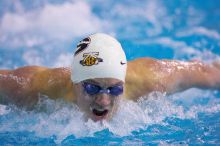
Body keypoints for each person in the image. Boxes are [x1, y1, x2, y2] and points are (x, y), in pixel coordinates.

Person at [0, 33, 220, 121]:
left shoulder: (153, 80)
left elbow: (209, 72)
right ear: (75, 82)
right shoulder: (32, 88)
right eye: (93, 88)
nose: (104, 101)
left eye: (115, 89)